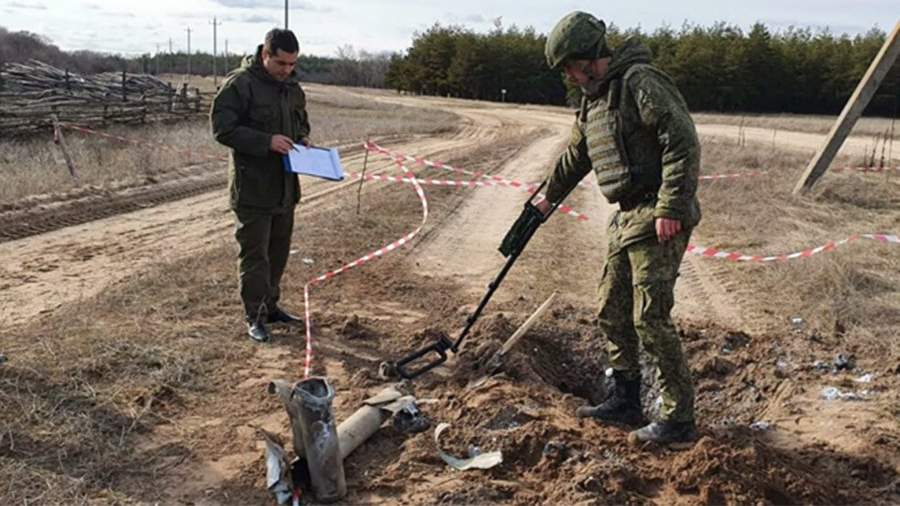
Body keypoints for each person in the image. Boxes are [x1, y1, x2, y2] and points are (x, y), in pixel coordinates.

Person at [537, 11, 701, 444]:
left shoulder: (641, 82)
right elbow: (577, 155)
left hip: (657, 211)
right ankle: (625, 399)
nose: (570, 76)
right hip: (626, 215)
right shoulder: (594, 99)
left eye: (572, 67)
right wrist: (548, 195)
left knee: (650, 317)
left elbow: (681, 140)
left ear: (590, 57)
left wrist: (671, 205)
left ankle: (678, 419)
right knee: (611, 307)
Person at [211, 28, 310, 343]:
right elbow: (222, 129)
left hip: (284, 187)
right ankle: (253, 316)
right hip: (253, 188)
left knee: (278, 253)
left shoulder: (292, 87)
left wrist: (302, 138)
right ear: (265, 54)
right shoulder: (240, 84)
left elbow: (301, 122)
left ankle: (271, 307)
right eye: (281, 63)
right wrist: (266, 141)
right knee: (255, 257)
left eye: (292, 64)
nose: (287, 70)